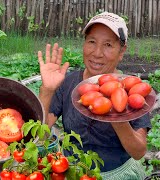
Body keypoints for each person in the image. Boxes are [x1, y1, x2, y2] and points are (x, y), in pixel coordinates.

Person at [38, 12, 151, 179]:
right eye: (92, 42)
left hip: (117, 174)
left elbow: (138, 152)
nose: (97, 53)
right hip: (71, 172)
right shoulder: (69, 83)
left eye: (108, 45)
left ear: (122, 51)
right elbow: (41, 136)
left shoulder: (131, 90)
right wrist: (47, 90)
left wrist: (117, 117)